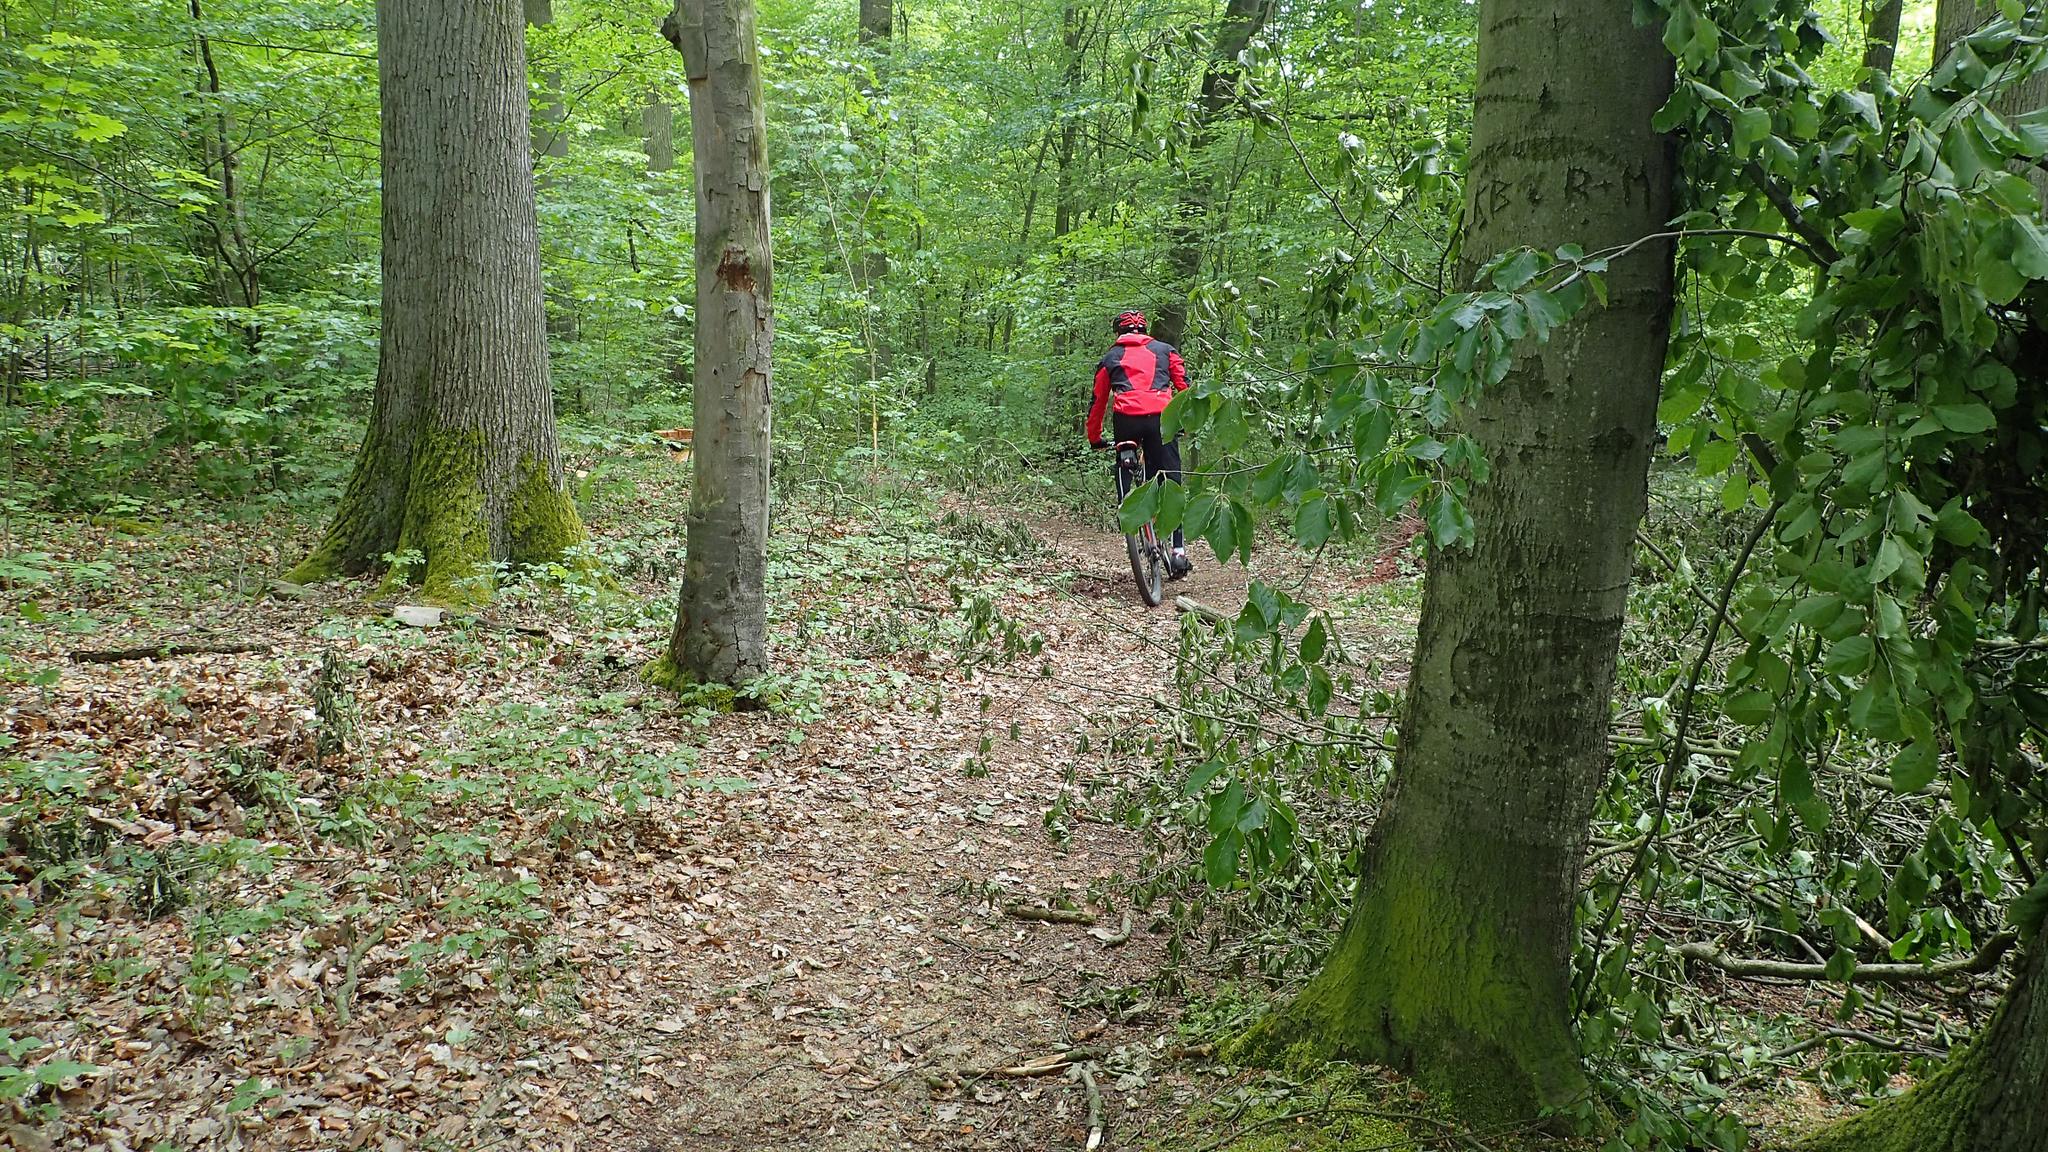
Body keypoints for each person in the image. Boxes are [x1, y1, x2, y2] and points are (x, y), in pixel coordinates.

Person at [1087, 309, 1192, 578]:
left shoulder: (1110, 358)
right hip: (1161, 417)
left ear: (1118, 332)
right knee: (1169, 479)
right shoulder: (1166, 351)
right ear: (1145, 330)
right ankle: (1178, 551)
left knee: (1125, 459)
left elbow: (1097, 402)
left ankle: (1126, 507)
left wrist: (1095, 438)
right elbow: (1185, 388)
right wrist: (1185, 423)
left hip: (1127, 420)